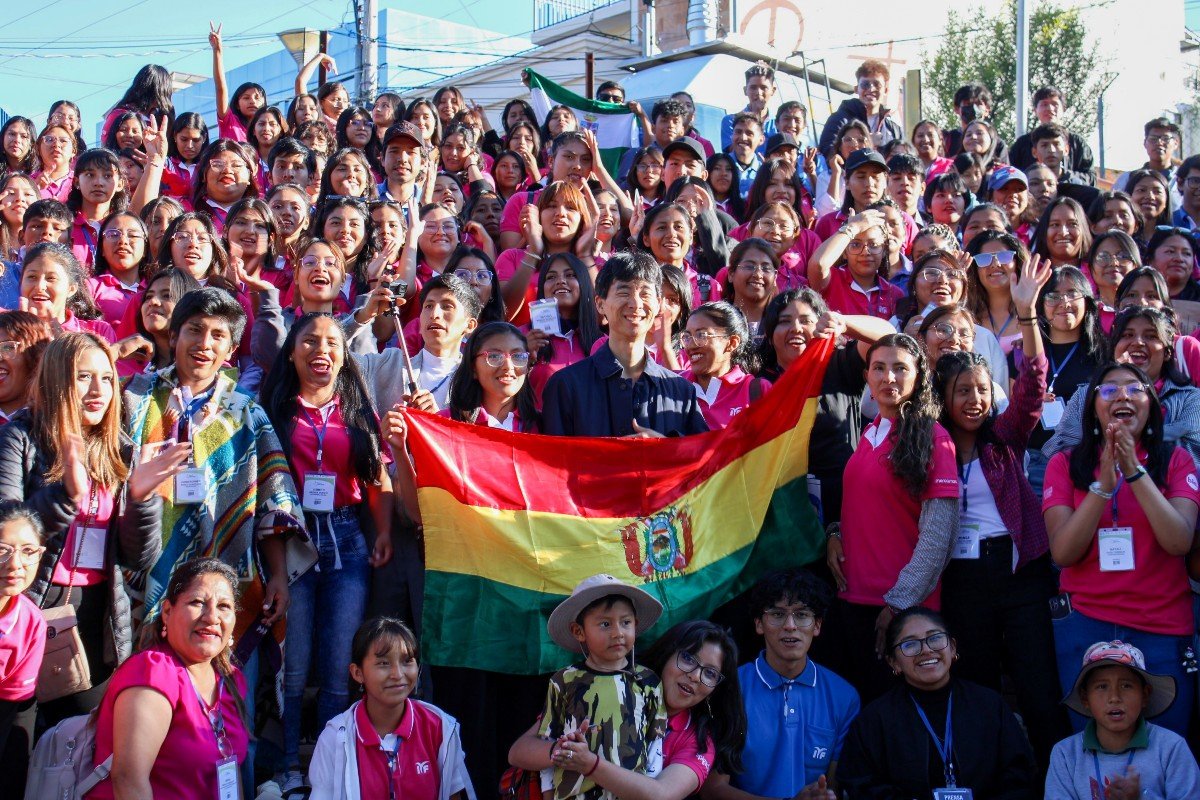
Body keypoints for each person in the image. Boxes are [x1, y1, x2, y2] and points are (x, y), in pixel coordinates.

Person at [0, 332, 183, 727]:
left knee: (77, 752)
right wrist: (66, 494)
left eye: (106, 377)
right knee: (17, 749)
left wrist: (140, 499)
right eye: (84, 377)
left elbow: (138, 558)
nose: (98, 389)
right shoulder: (20, 437)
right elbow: (7, 531)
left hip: (96, 616)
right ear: (56, 380)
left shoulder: (120, 450)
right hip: (28, 608)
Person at [931, 253, 1071, 768]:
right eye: (960, 391)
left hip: (1020, 577)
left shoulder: (1005, 438)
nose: (972, 400)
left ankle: (1056, 779)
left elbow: (1033, 387)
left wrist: (1028, 313)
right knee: (977, 690)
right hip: (963, 580)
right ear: (944, 400)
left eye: (981, 391)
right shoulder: (931, 448)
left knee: (1038, 689)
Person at [260, 312, 393, 792]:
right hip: (292, 542)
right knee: (292, 665)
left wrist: (381, 530)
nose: (321, 350)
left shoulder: (358, 411)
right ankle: (288, 768)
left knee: (340, 665)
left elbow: (378, 477)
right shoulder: (272, 412)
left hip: (348, 542)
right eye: (310, 341)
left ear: (344, 354)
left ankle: (330, 767)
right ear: (292, 352)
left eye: (332, 342)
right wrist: (274, 564)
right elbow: (265, 492)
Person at [1041, 360, 1199, 738]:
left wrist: (1135, 473)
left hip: (1161, 626)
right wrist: (1102, 486)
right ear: (1093, 407)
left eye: (1134, 388)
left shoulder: (1177, 461)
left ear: (1152, 406)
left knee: (1166, 750)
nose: (1122, 396)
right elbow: (1062, 553)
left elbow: (1178, 541)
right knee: (1094, 750)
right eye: (1109, 390)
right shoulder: (1064, 464)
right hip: (1085, 625)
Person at [827, 334, 960, 701]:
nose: (889, 377)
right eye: (879, 368)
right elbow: (863, 504)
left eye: (900, 368)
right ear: (867, 377)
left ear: (919, 376)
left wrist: (899, 605)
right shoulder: (869, 431)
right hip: (855, 602)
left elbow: (938, 537)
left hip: (904, 612)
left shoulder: (934, 437)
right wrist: (835, 532)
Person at [86, 558, 250, 800]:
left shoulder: (231, 681)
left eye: (224, 606)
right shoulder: (153, 672)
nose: (212, 616)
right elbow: (128, 779)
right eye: (197, 602)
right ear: (167, 612)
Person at [837, 607, 1038, 799]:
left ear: (952, 648)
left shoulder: (990, 706)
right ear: (894, 662)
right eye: (910, 644)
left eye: (935, 638)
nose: (926, 650)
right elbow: (861, 784)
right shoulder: (876, 719)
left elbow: (1019, 777)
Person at [703, 569, 859, 800]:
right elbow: (712, 790)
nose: (790, 625)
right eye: (777, 614)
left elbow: (835, 786)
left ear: (817, 625)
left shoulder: (843, 696)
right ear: (759, 624)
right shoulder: (728, 688)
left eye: (802, 614)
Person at [541, 251, 708, 437]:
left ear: (658, 303)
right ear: (600, 304)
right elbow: (552, 462)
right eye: (623, 292)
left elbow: (702, 460)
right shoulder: (565, 386)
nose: (636, 304)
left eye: (645, 294)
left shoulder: (681, 391)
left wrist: (663, 447)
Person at [307, 617, 476, 800]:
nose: (398, 674)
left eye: (407, 661)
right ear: (357, 673)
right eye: (383, 663)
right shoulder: (335, 737)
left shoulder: (440, 727)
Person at [538, 574, 667, 800]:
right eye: (605, 624)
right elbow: (548, 744)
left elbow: (655, 747)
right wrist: (548, 795)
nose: (618, 633)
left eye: (625, 622)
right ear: (579, 631)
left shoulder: (648, 682)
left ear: (635, 625)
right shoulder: (564, 681)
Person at [1044, 640, 1200, 800]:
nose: (1114, 697)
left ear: (1145, 695)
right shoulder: (1066, 754)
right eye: (1101, 686)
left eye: (1126, 686)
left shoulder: (1171, 748)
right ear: (1085, 699)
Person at [0, 504, 46, 764]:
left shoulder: (29, 623)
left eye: (28, 551)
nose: (16, 564)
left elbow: (11, 711)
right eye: (2, 551)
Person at [681, 301, 768, 430]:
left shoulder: (756, 390)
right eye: (687, 336)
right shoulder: (674, 385)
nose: (691, 346)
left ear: (732, 343)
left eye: (701, 335)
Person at [807, 207, 903, 320]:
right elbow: (818, 264)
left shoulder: (894, 294)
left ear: (884, 251)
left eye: (874, 245)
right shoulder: (831, 280)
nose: (865, 252)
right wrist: (853, 227)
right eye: (856, 245)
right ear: (844, 253)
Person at [817, 60, 904, 158]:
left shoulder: (894, 130)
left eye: (877, 84)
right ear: (856, 89)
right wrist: (866, 143)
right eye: (865, 84)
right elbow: (828, 152)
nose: (871, 89)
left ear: (886, 90)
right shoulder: (839, 120)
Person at [1009, 86, 1095, 177]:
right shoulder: (1022, 144)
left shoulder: (1077, 143)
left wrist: (1064, 176)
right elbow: (1011, 174)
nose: (1050, 108)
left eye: (1054, 104)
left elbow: (1090, 177)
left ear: (1064, 109)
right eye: (1044, 104)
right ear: (1035, 110)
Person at [1111, 118, 1183, 211]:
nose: (1159, 143)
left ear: (1176, 144)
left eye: (1165, 139)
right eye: (1153, 139)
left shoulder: (1184, 180)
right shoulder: (1127, 179)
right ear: (1145, 143)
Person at [720, 62, 778, 155]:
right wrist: (755, 114)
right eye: (753, 87)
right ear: (745, 90)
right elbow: (733, 154)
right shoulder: (731, 121)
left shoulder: (778, 124)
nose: (758, 92)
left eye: (764, 88)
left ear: (773, 90)